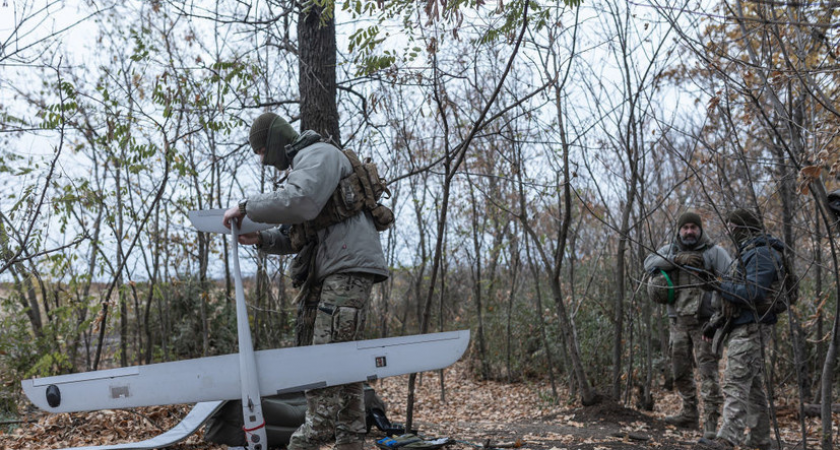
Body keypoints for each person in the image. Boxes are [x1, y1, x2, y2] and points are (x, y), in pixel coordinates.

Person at [223, 112, 389, 450]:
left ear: (271, 143)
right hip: (338, 266)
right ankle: (349, 441)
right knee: (344, 363)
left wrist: (245, 207)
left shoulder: (319, 156)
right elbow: (298, 233)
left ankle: (309, 439)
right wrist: (263, 240)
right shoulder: (306, 166)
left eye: (260, 151)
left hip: (346, 267)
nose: (261, 159)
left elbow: (302, 203)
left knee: (324, 359)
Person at [699, 209, 786, 450]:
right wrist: (716, 322)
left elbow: (753, 293)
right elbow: (736, 293)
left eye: (733, 227)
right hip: (742, 325)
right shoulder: (749, 253)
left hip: (753, 326)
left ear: (745, 229)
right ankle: (759, 438)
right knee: (753, 385)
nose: (730, 232)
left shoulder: (762, 254)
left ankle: (728, 438)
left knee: (735, 381)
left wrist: (718, 285)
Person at [644, 211, 731, 439]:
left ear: (700, 230)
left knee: (708, 373)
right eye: (686, 228)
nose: (689, 231)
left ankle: (711, 423)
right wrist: (676, 260)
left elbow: (733, 277)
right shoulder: (670, 250)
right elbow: (648, 263)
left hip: (706, 325)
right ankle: (689, 413)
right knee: (679, 371)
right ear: (679, 230)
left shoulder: (714, 252)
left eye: (694, 227)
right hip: (678, 323)